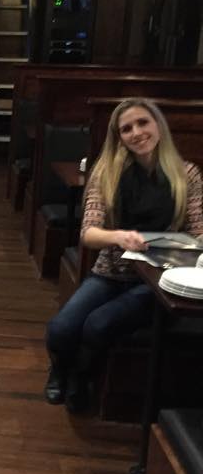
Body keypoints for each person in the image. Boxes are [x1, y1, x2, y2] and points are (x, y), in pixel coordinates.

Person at [45, 98, 203, 412]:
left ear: (158, 125)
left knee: (99, 324)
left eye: (143, 122)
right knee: (61, 327)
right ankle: (60, 369)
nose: (136, 132)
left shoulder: (188, 175)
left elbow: (199, 232)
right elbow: (88, 233)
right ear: (119, 138)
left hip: (158, 279)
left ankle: (82, 376)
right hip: (111, 272)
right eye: (126, 129)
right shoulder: (107, 173)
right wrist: (118, 236)